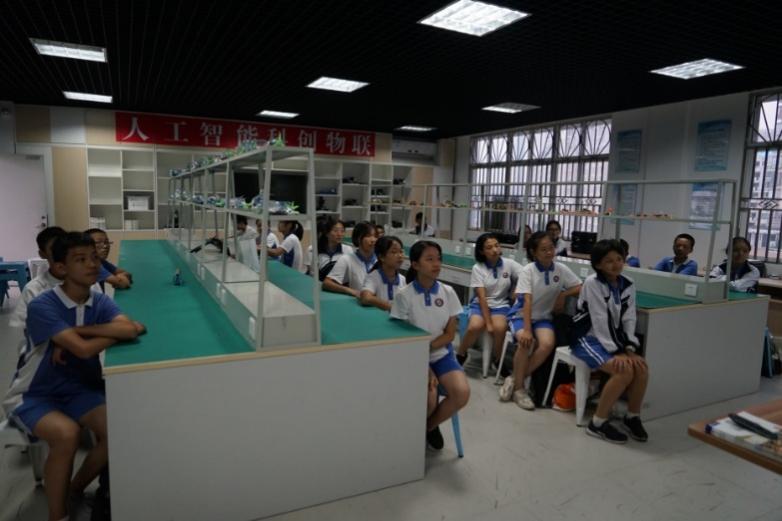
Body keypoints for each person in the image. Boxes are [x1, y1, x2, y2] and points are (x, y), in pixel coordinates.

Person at [3, 232, 145, 521]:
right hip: (34, 393)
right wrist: (117, 333)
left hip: (79, 389)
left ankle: (75, 488)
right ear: (60, 268)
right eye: (80, 259)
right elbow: (84, 349)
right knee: (67, 434)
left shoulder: (98, 301)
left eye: (94, 257)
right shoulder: (43, 304)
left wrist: (78, 331)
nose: (92, 264)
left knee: (118, 430)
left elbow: (128, 328)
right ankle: (58, 516)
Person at [391, 240, 470, 451]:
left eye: (438, 259)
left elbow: (450, 334)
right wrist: (423, 365)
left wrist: (427, 351)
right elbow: (401, 340)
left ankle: (427, 427)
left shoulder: (448, 292)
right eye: (430, 259)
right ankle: (414, 434)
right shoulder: (404, 295)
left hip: (441, 354)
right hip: (412, 357)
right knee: (430, 397)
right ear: (415, 264)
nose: (436, 264)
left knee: (462, 392)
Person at [570, 239, 649, 444]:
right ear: (598, 264)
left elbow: (629, 318)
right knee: (623, 370)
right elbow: (600, 319)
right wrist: (617, 352)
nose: (616, 264)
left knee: (641, 368)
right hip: (587, 338)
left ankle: (632, 417)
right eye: (609, 261)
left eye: (619, 259)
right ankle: (597, 423)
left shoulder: (628, 284)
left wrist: (630, 348)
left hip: (612, 339)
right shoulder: (592, 283)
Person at [500, 232, 582, 409]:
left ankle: (514, 378)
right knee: (526, 342)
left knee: (547, 344)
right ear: (534, 252)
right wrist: (527, 330)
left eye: (551, 248)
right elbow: (527, 300)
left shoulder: (560, 269)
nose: (549, 252)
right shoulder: (528, 270)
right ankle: (520, 390)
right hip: (521, 315)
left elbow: (579, 287)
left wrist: (563, 294)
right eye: (543, 249)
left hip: (543, 317)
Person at [455, 233, 522, 369]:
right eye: (489, 247)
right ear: (482, 251)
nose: (495, 250)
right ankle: (461, 354)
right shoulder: (478, 268)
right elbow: (481, 297)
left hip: (501, 305)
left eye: (497, 245)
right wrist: (489, 323)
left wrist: (517, 288)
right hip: (480, 304)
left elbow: (527, 275)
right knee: (474, 326)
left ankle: (497, 359)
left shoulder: (509, 264)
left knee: (500, 328)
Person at [323, 221, 377, 297]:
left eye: (375, 236)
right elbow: (327, 283)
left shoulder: (382, 259)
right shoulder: (347, 259)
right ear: (358, 238)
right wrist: (349, 290)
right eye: (368, 236)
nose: (373, 240)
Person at [360, 236, 406, 312]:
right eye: (394, 252)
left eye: (401, 251)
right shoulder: (374, 276)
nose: (400, 256)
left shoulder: (402, 279)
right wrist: (392, 308)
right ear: (382, 257)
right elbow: (366, 298)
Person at [308, 216, 353, 281]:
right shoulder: (317, 250)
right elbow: (313, 274)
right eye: (335, 231)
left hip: (341, 285)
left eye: (342, 231)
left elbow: (350, 274)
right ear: (327, 233)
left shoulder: (348, 250)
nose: (339, 234)